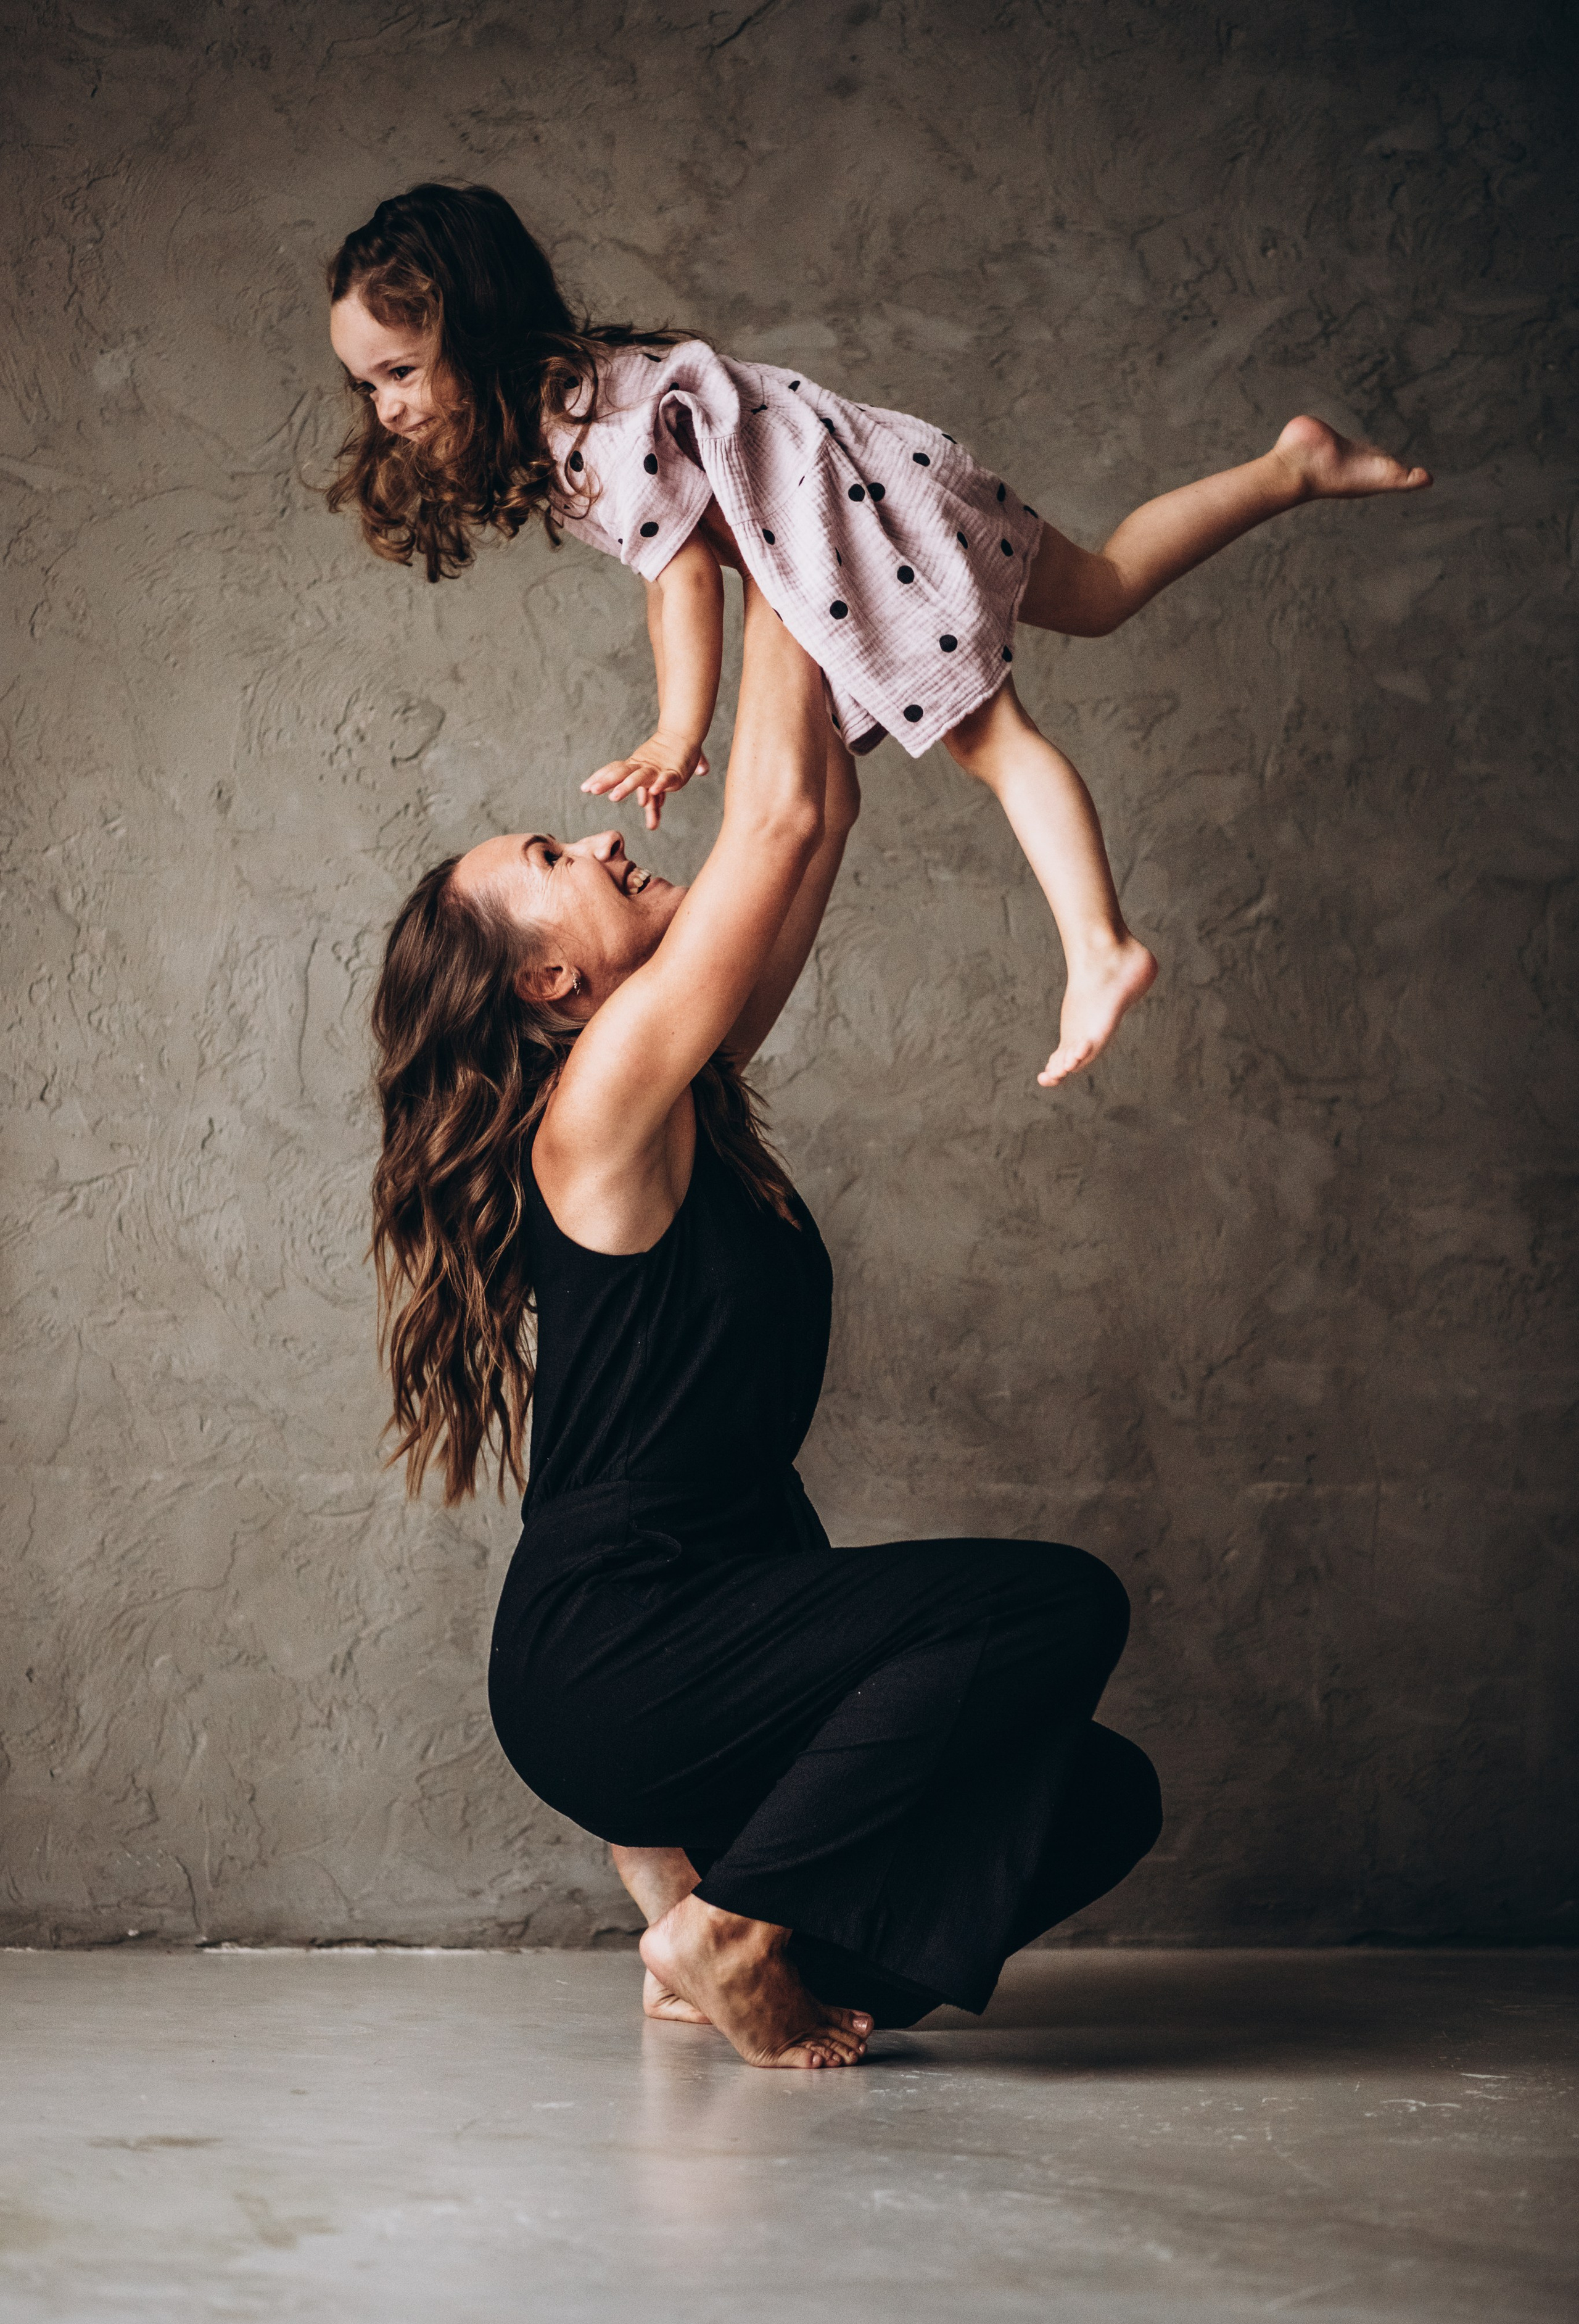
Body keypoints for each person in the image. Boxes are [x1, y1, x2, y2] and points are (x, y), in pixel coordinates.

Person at [369, 576, 1161, 2070]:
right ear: (548, 979)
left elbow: (820, 820)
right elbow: (773, 822)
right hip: (616, 1649)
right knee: (1054, 1604)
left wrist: (796, 562)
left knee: (1097, 1792)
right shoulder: (596, 1111)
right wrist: (781, 524)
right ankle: (727, 1926)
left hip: (705, 1634)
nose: (600, 833)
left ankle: (717, 1938)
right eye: (554, 855)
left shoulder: (687, 1092)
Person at [328, 180, 1431, 1086]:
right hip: (875, 473)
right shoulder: (577, 403)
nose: (385, 407)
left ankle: (1100, 943)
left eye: (401, 372)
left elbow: (684, 580)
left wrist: (677, 732)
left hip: (843, 526)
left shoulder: (587, 438)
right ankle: (1292, 466)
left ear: (470, 331)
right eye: (366, 382)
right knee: (1097, 590)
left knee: (993, 743)